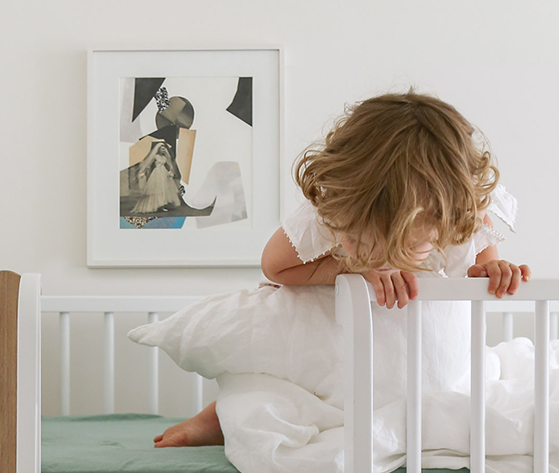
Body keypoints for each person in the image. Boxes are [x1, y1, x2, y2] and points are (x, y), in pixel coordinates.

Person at [155, 91, 529, 447]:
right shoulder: (332, 211)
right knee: (282, 390)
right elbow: (275, 267)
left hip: (411, 341)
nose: (396, 252)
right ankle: (221, 416)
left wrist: (493, 270)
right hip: (336, 328)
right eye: (373, 239)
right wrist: (355, 270)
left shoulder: (464, 209)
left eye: (413, 241)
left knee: (453, 381)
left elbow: (482, 262)